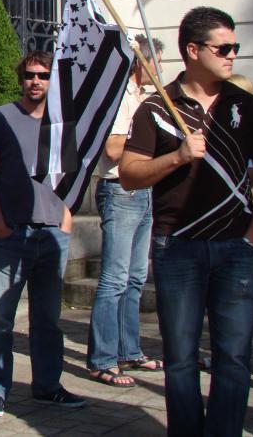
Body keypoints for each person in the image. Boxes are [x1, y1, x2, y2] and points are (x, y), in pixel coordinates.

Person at [119, 7, 253, 436]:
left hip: (235, 248)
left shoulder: (245, 104)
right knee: (182, 357)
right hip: (178, 248)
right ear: (193, 50)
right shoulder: (157, 107)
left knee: (234, 356)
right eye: (223, 48)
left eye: (235, 47)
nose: (232, 55)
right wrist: (178, 156)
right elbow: (130, 174)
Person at [0, 51, 83, 418]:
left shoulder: (62, 123)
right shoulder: (0, 117)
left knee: (48, 320)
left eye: (42, 75)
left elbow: (71, 180)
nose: (35, 81)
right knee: (2, 318)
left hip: (53, 234)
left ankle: (48, 386)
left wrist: (66, 221)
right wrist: (0, 223)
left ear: (52, 80)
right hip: (13, 234)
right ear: (21, 78)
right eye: (29, 75)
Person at [87, 35, 164, 387]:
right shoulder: (121, 98)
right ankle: (102, 358)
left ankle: (129, 350)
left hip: (144, 190)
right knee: (114, 279)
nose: (160, 69)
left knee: (135, 278)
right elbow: (114, 148)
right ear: (140, 63)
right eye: (156, 62)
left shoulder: (147, 97)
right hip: (120, 189)